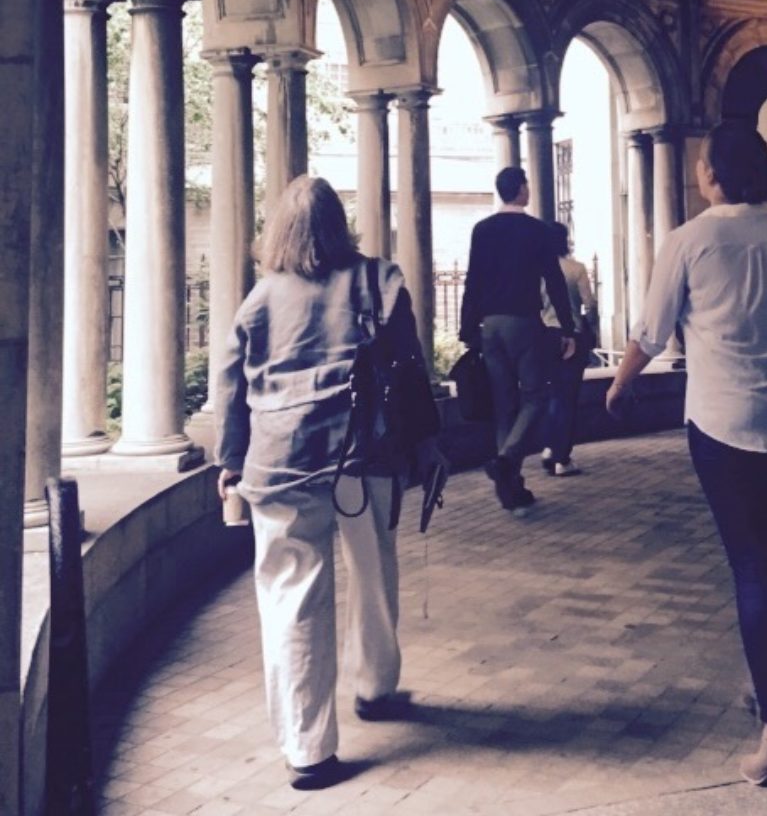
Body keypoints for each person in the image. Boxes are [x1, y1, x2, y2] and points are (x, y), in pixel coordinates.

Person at [606, 123, 767, 800]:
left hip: (724, 425)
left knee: (751, 566)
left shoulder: (690, 239)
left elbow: (651, 327)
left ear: (711, 175)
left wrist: (619, 383)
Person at [215, 175, 443, 791]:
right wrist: (425, 442)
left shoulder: (257, 300)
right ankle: (375, 686)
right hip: (362, 451)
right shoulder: (378, 279)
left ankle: (309, 747)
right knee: (373, 570)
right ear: (340, 226)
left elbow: (230, 388)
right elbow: (410, 367)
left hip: (281, 461)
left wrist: (231, 464)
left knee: (294, 599)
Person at [459, 166, 576, 511]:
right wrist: (568, 328)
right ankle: (507, 460)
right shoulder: (536, 230)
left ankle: (511, 488)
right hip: (524, 322)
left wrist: (468, 329)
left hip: (489, 326)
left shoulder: (482, 230)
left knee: (504, 405)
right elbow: (553, 280)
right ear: (522, 189)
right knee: (536, 396)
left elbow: (472, 280)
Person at [539, 222, 597, 476]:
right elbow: (589, 304)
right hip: (571, 334)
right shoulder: (576, 269)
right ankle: (562, 457)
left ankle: (550, 447)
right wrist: (590, 325)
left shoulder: (536, 270)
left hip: (543, 336)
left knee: (550, 395)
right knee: (568, 396)